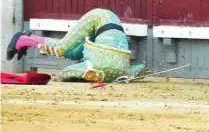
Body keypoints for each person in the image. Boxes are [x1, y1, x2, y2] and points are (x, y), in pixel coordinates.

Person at [6, 9, 148, 83]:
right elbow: (64, 74)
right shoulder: (96, 66)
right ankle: (23, 39)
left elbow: (141, 68)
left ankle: (30, 39)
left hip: (110, 32)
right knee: (61, 48)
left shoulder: (124, 71)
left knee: (74, 53)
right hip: (97, 19)